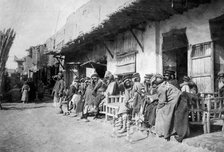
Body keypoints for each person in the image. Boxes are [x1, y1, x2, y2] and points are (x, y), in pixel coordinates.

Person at [152, 74, 181, 140]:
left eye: (153, 85)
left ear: (155, 84)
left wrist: (157, 108)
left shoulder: (161, 88)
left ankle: (165, 132)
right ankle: (166, 130)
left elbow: (162, 102)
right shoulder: (165, 84)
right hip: (177, 98)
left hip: (175, 101)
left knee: (161, 112)